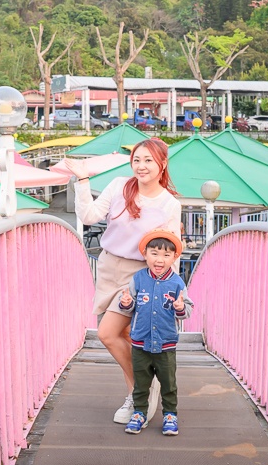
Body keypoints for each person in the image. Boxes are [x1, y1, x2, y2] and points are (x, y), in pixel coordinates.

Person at [65, 138, 182, 424]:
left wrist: (171, 291)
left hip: (139, 275)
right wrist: (82, 180)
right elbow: (89, 216)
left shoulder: (169, 203)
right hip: (107, 268)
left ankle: (139, 390)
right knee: (127, 337)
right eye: (137, 160)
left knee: (106, 333)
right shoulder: (119, 185)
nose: (141, 166)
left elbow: (171, 250)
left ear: (162, 164)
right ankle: (141, 390)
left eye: (148, 161)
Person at [117, 229, 190, 436]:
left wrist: (180, 307)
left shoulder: (177, 282)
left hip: (166, 343)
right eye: (155, 253)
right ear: (145, 254)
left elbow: (188, 309)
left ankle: (170, 414)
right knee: (141, 383)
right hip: (140, 342)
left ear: (174, 257)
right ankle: (139, 413)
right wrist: (126, 303)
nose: (160, 259)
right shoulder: (139, 278)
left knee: (168, 383)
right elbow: (128, 304)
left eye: (167, 255)